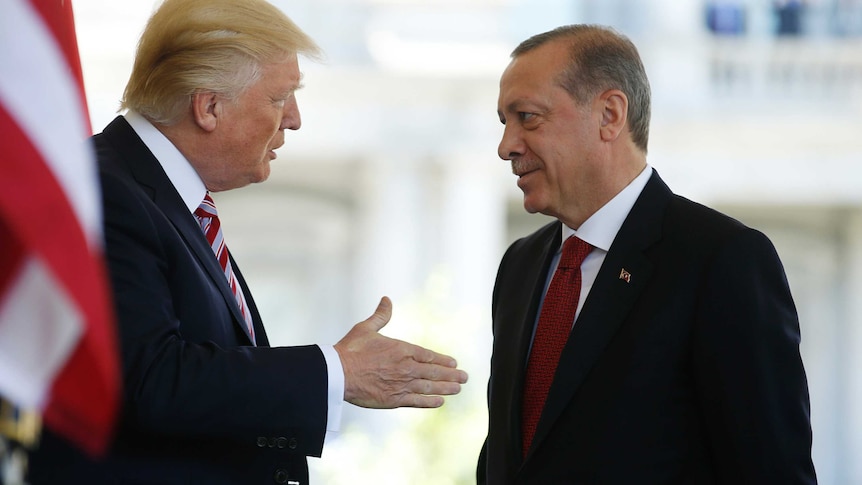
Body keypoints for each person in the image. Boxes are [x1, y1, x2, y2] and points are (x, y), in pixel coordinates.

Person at [27, 0, 468, 483]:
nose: (294, 119)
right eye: (280, 98)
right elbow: (150, 380)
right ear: (209, 106)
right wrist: (336, 372)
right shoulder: (105, 190)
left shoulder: (158, 195)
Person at [477, 25, 816, 484]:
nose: (506, 146)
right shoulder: (519, 265)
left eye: (528, 117)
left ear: (610, 114)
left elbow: (771, 470)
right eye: (505, 122)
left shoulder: (721, 260)